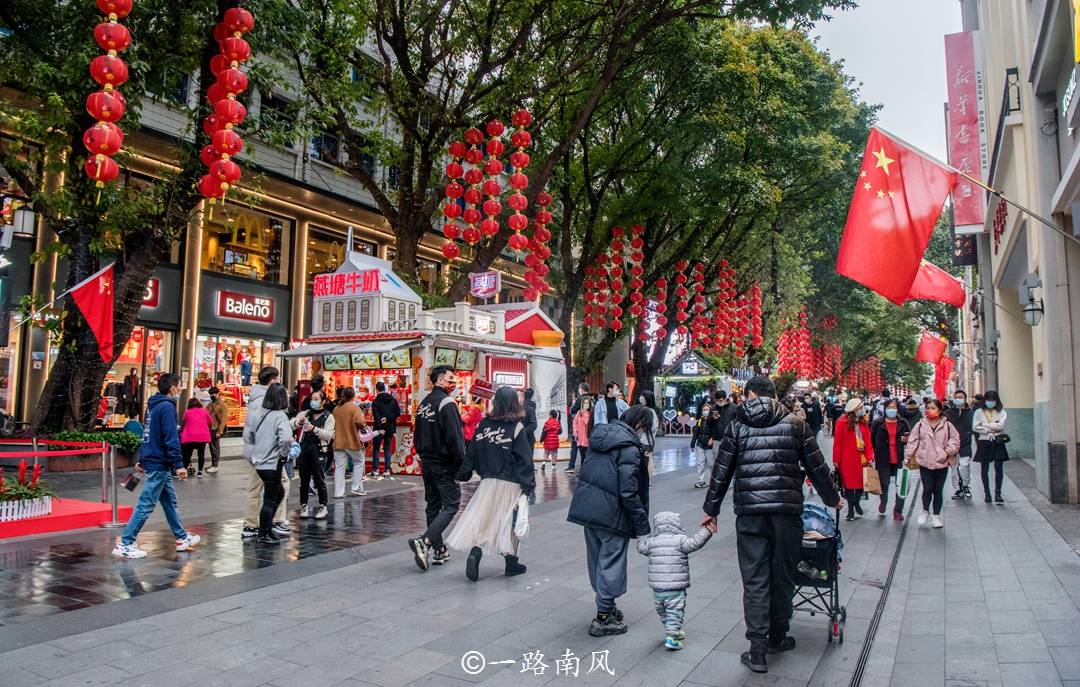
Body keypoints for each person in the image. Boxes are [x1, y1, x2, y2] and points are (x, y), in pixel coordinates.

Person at [700, 375, 842, 675]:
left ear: (750, 394)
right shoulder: (795, 424)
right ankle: (778, 636)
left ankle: (757, 650)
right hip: (787, 514)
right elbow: (817, 466)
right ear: (775, 395)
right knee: (782, 575)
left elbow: (721, 472)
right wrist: (833, 498)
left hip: (750, 513)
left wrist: (711, 510)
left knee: (754, 579)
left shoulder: (737, 426)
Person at [567, 405, 653, 637]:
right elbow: (628, 491)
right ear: (640, 425)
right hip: (612, 514)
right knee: (611, 562)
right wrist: (643, 527)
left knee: (597, 562)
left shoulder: (600, 437)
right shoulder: (630, 448)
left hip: (588, 509)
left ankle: (606, 606)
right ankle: (603, 618)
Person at [447, 386, 535, 581]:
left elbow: (472, 451)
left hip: (488, 482)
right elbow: (524, 459)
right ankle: (511, 564)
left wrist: (465, 472)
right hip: (511, 482)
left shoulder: (484, 424)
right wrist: (528, 485)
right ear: (514, 403)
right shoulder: (516, 427)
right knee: (509, 523)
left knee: (485, 520)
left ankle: (475, 553)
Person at [113, 374, 201, 559]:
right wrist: (179, 464)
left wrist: (143, 459)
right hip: (160, 463)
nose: (180, 389)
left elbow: (147, 436)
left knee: (170, 501)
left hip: (154, 460)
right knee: (146, 504)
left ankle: (181, 537)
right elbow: (171, 437)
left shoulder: (152, 408)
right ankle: (126, 543)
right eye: (179, 386)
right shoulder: (167, 408)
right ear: (172, 389)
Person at [409, 365, 467, 571]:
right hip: (443, 464)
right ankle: (424, 542)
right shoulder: (447, 403)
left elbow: (416, 435)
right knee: (451, 505)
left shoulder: (424, 404)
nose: (454, 382)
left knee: (433, 506)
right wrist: (462, 466)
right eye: (451, 378)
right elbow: (455, 439)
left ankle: (439, 550)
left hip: (427, 462)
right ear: (439, 380)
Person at [636, 511, 714, 651]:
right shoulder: (680, 540)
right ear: (677, 524)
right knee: (675, 611)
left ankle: (672, 631)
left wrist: (642, 535)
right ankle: (672, 637)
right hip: (675, 588)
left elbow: (641, 547)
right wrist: (707, 530)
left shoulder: (652, 542)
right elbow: (695, 543)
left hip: (658, 589)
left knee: (663, 611)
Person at [241, 367, 288, 540]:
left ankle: (261, 524)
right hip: (264, 454)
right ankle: (262, 524)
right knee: (272, 489)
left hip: (258, 452)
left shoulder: (256, 396)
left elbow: (250, 430)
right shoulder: (263, 399)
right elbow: (256, 430)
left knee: (266, 488)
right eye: (278, 378)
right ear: (273, 380)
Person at [249, 383, 294, 545]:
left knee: (278, 493)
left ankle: (266, 529)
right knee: (270, 498)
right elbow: (285, 439)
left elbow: (251, 434)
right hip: (272, 462)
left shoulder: (260, 414)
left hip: (259, 461)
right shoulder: (280, 416)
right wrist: (284, 454)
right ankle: (263, 533)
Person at [905, 398, 960, 528]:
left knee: (938, 490)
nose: (929, 410)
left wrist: (947, 452)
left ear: (940, 410)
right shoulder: (920, 425)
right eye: (928, 408)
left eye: (933, 408)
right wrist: (907, 456)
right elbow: (913, 441)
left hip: (942, 462)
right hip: (925, 462)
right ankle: (924, 510)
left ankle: (936, 515)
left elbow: (955, 440)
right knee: (928, 488)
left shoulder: (947, 425)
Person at [291, 390, 334, 519]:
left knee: (319, 479)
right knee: (303, 480)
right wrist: (298, 423)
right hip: (304, 449)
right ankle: (303, 506)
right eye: (312, 398)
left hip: (319, 450)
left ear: (323, 401)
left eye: (316, 399)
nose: (313, 401)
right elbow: (291, 423)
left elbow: (328, 435)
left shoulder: (328, 417)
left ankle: (323, 506)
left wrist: (314, 429)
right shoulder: (306, 414)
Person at [870, 398, 910, 521]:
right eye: (889, 407)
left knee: (902, 486)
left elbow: (912, 438)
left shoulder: (903, 423)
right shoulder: (877, 423)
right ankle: (883, 501)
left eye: (894, 407)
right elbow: (872, 439)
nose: (891, 410)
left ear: (898, 409)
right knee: (884, 484)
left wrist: (906, 440)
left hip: (901, 459)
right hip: (883, 458)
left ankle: (898, 510)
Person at [833, 398, 872, 521]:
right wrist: (836, 459)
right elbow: (837, 442)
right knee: (849, 485)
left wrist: (870, 455)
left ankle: (856, 502)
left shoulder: (863, 422)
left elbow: (868, 440)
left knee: (861, 484)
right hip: (847, 459)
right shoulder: (841, 422)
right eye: (860, 408)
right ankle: (850, 509)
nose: (863, 410)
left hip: (862, 458)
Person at [332, 386, 375, 497]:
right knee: (359, 462)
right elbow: (361, 422)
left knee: (340, 467)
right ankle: (355, 487)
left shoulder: (336, 409)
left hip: (338, 441)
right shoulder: (355, 408)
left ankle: (338, 492)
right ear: (353, 395)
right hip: (352, 441)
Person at [973, 389, 1009, 504]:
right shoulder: (978, 412)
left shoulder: (1001, 411)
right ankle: (987, 493)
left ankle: (998, 493)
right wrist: (990, 428)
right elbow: (975, 427)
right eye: (988, 400)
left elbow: (1001, 425)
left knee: (999, 468)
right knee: (984, 468)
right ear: (985, 400)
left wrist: (985, 426)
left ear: (997, 401)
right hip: (984, 440)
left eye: (993, 400)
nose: (991, 402)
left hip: (998, 441)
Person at [946, 389, 975, 499]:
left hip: (965, 443)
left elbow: (975, 427)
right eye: (956, 397)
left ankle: (966, 485)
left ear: (965, 399)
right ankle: (958, 489)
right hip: (952, 445)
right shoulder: (949, 413)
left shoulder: (970, 413)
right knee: (954, 468)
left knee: (964, 465)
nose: (958, 399)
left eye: (960, 397)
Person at [371, 381, 402, 477]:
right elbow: (397, 413)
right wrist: (388, 418)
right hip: (390, 428)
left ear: (377, 390)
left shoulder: (375, 402)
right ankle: (387, 470)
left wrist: (380, 428)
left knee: (376, 449)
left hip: (379, 429)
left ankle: (375, 470)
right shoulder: (393, 399)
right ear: (384, 388)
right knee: (387, 449)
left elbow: (376, 417)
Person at [179, 398, 213, 477]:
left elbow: (184, 421)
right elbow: (210, 421)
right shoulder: (204, 411)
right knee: (201, 454)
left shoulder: (187, 412)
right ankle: (200, 472)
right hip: (202, 436)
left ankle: (185, 469)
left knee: (188, 454)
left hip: (190, 436)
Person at [566, 383, 592, 472]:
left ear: (581, 389)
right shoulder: (593, 399)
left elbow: (572, 410)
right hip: (589, 431)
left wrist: (574, 404)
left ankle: (572, 466)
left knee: (575, 447)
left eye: (579, 389)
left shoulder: (579, 400)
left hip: (580, 430)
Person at [205, 387, 228, 474]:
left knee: (215, 447)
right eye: (210, 394)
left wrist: (220, 431)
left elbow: (223, 419)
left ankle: (215, 465)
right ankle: (213, 464)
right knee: (212, 447)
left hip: (216, 428)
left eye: (213, 394)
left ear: (217, 393)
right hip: (210, 428)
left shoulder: (222, 405)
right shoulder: (211, 404)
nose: (211, 395)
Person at [691, 402, 713, 489]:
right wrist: (692, 444)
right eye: (704, 410)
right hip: (700, 444)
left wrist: (712, 439)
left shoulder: (712, 420)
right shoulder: (700, 421)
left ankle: (713, 481)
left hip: (710, 445)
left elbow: (716, 431)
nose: (705, 411)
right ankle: (701, 480)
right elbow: (696, 433)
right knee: (700, 463)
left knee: (711, 464)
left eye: (707, 410)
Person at [570, 396, 593, 474]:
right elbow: (574, 423)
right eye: (585, 403)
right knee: (582, 455)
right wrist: (575, 433)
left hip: (587, 439)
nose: (586, 404)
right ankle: (583, 471)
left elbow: (587, 423)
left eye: (587, 403)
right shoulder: (579, 413)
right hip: (580, 438)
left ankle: (583, 472)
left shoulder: (590, 414)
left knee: (586, 456)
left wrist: (583, 415)